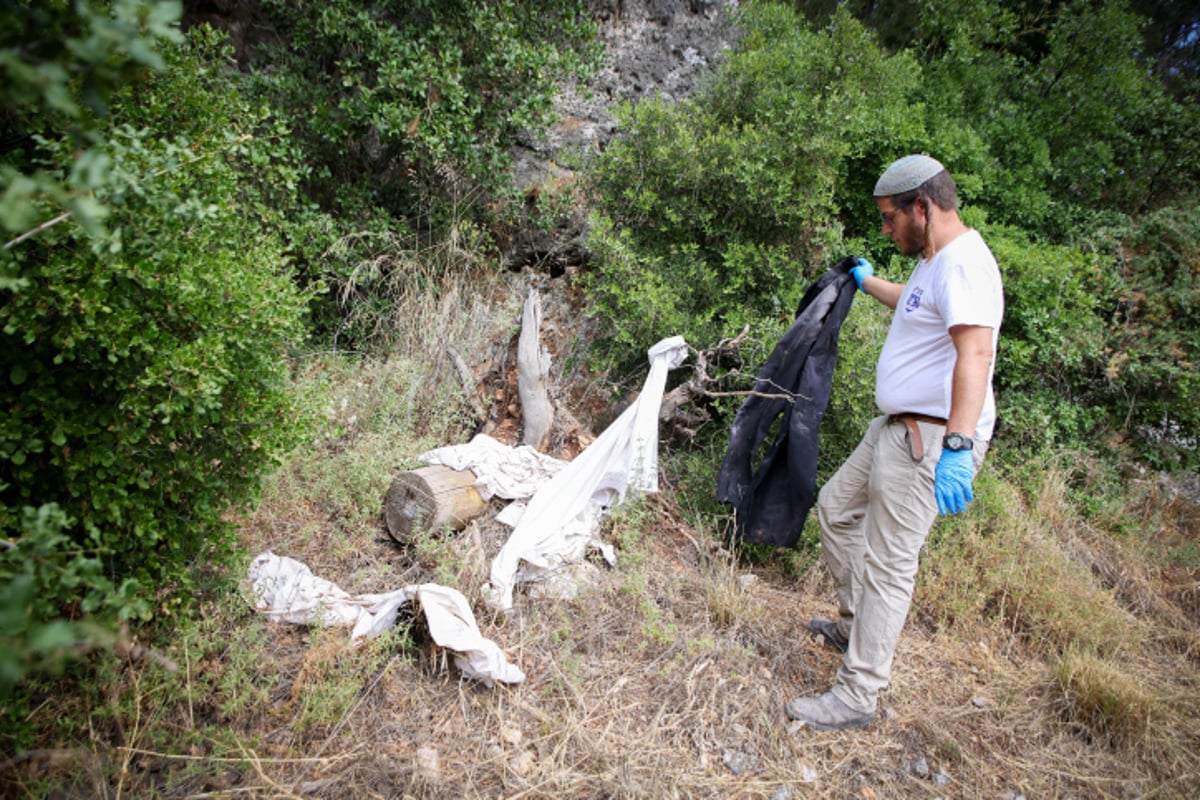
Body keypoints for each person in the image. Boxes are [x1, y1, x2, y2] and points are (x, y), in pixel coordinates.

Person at [784, 154, 1004, 730]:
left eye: (889, 218)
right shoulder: (936, 263)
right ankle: (857, 625)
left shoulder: (964, 266)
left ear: (922, 208)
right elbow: (912, 300)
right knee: (834, 509)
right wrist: (864, 279)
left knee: (889, 563)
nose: (885, 229)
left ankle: (858, 694)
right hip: (896, 428)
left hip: (930, 439)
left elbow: (975, 353)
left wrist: (958, 445)